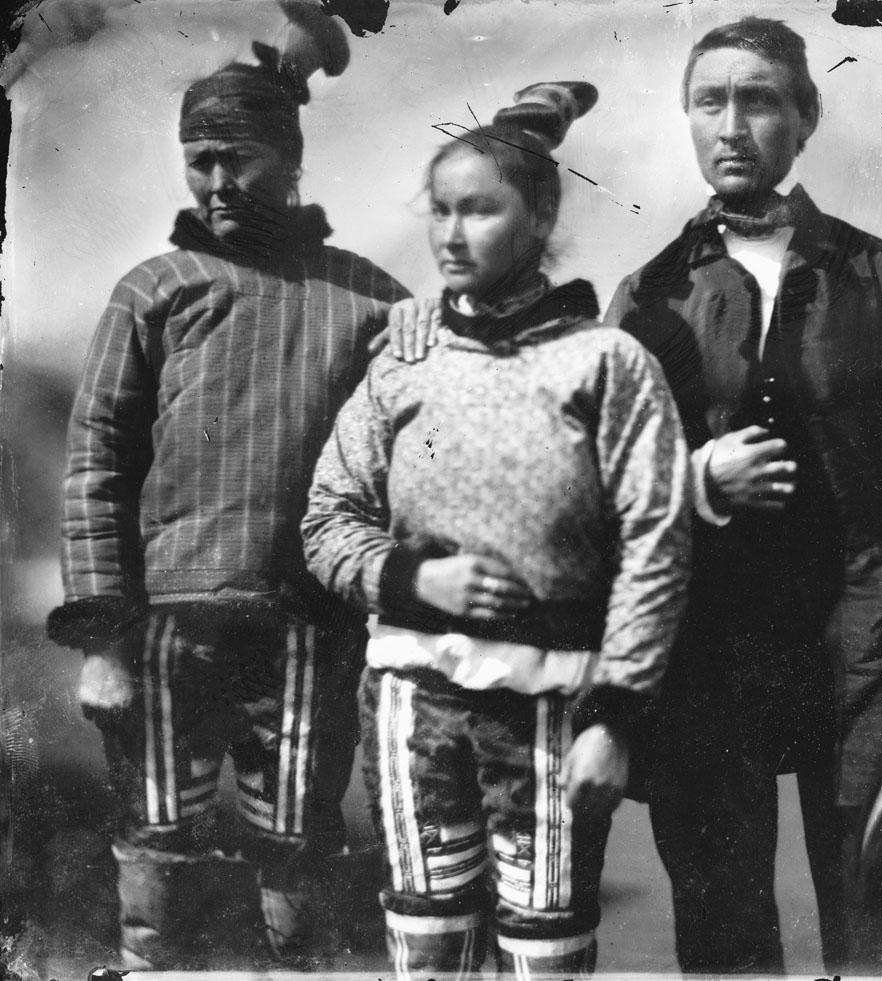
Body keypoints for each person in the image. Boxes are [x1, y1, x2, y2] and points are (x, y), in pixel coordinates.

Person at [44, 6, 410, 969]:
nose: (215, 182)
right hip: (168, 627)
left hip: (308, 625)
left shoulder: (371, 302)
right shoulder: (153, 290)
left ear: (290, 162)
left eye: (236, 159)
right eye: (198, 161)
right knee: (157, 826)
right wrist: (102, 638)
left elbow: (415, 462)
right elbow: (96, 467)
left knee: (296, 833)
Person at [300, 82, 691, 980]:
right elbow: (328, 517)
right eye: (439, 210)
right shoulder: (405, 361)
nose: (450, 233)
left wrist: (615, 713)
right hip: (411, 705)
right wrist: (409, 580)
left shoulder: (605, 361)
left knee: (545, 955)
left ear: (541, 212)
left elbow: (656, 545)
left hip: (552, 712)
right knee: (428, 948)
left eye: (480, 209)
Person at [602, 18, 882, 974]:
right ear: (686, 116)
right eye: (710, 100)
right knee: (722, 925)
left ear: (807, 117)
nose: (732, 124)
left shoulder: (878, 273)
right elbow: (600, 489)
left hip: (860, 639)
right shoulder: (647, 292)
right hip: (710, 653)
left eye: (759, 99)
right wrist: (695, 479)